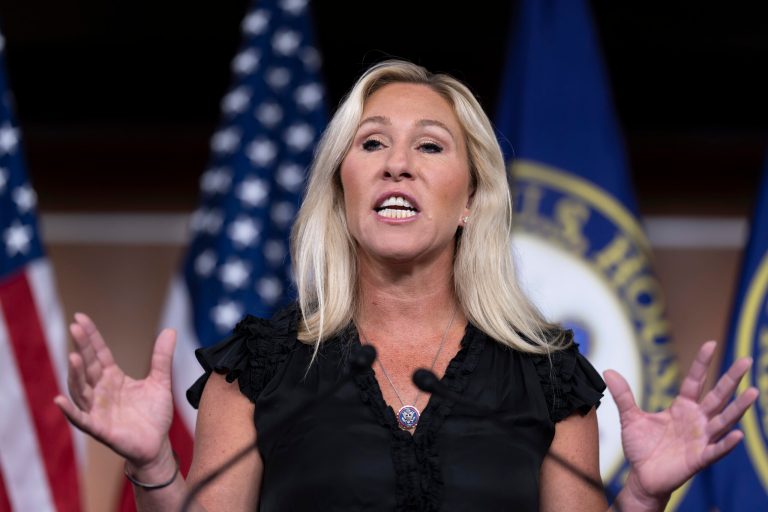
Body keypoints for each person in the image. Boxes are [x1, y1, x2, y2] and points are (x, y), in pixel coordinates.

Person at [55, 59, 758, 512]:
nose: (397, 164)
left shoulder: (545, 377)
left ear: (473, 199)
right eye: (371, 143)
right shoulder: (259, 369)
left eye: (428, 144)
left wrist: (640, 495)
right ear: (341, 190)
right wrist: (150, 463)